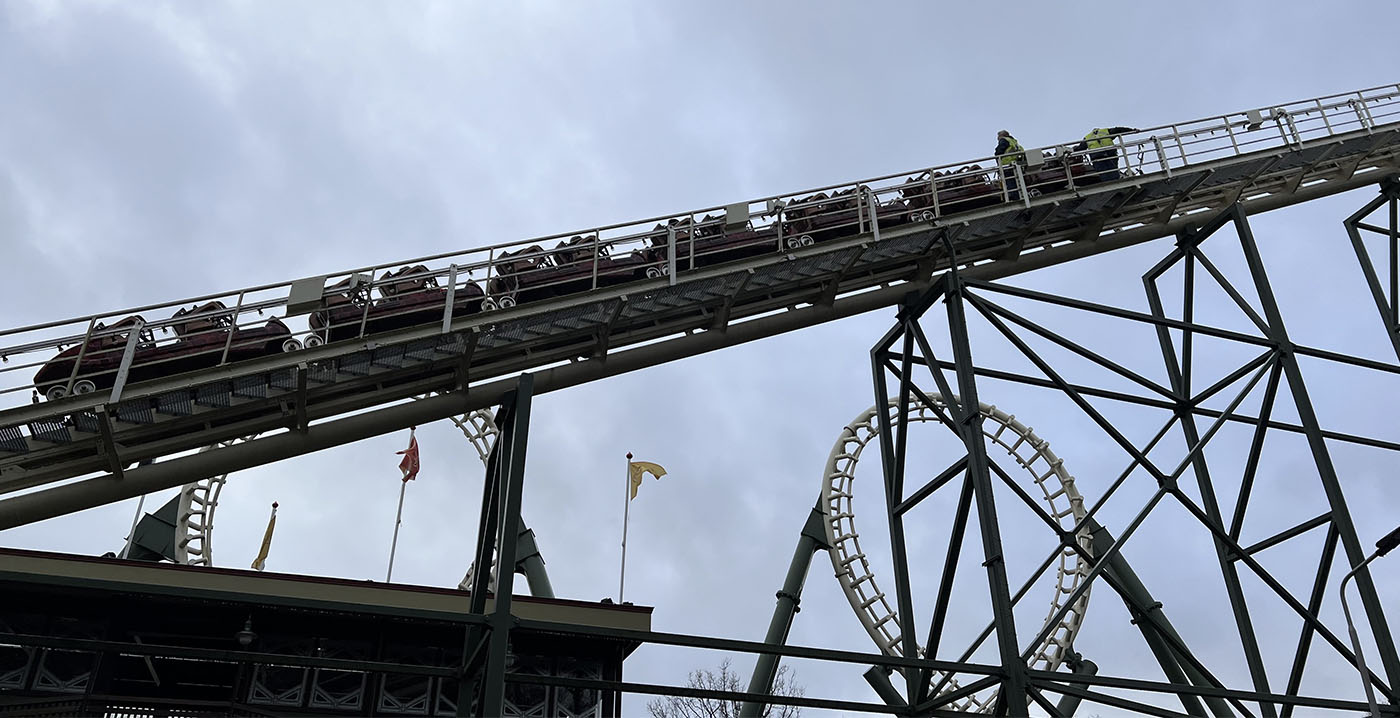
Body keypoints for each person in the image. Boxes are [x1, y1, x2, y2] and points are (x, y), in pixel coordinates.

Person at [1074, 126, 1139, 182]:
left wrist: (1073, 150)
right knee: (1113, 171)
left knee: (1103, 174)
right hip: (1110, 154)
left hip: (1097, 157)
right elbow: (1118, 130)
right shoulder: (1105, 131)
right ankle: (1116, 181)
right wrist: (1132, 130)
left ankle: (1109, 183)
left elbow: (1081, 148)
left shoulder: (1087, 137)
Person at [994, 130, 1024, 200]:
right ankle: (1020, 196)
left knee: (1011, 184)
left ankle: (1015, 198)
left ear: (1001, 136)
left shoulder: (1004, 140)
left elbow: (999, 151)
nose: (998, 139)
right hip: (1017, 166)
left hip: (1008, 166)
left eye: (998, 137)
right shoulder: (1015, 143)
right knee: (1018, 182)